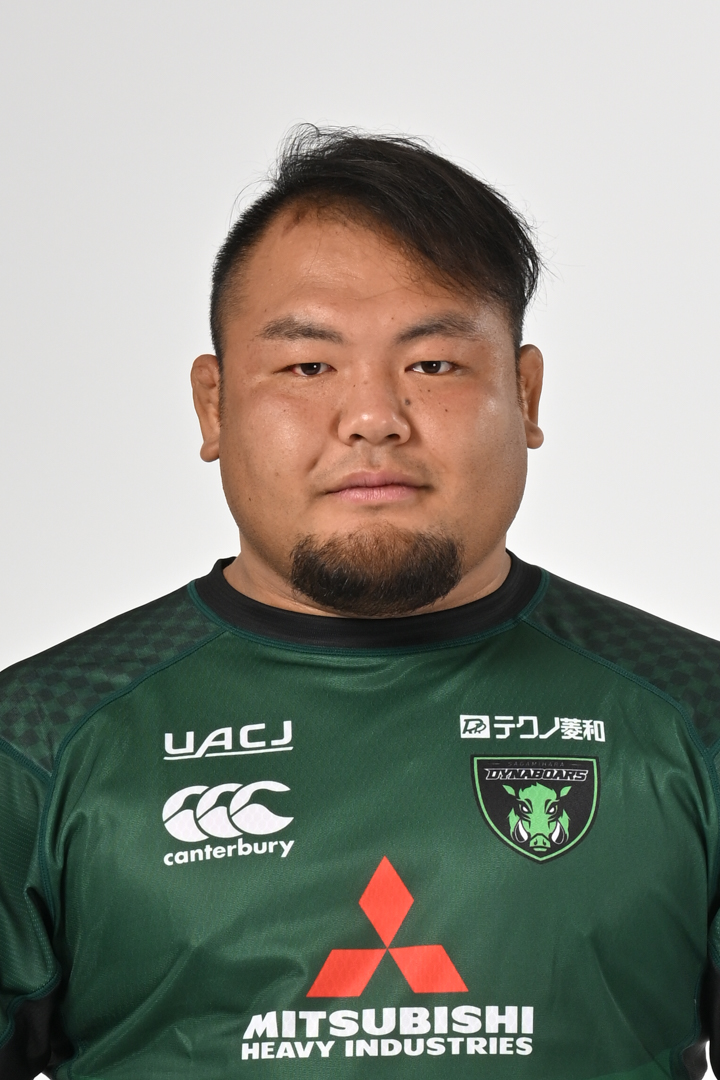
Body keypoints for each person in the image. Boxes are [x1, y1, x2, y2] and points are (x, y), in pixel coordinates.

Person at [1, 126, 718, 1080]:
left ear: (526, 392)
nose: (374, 417)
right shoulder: (36, 743)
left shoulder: (697, 716)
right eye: (308, 366)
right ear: (214, 405)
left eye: (433, 365)